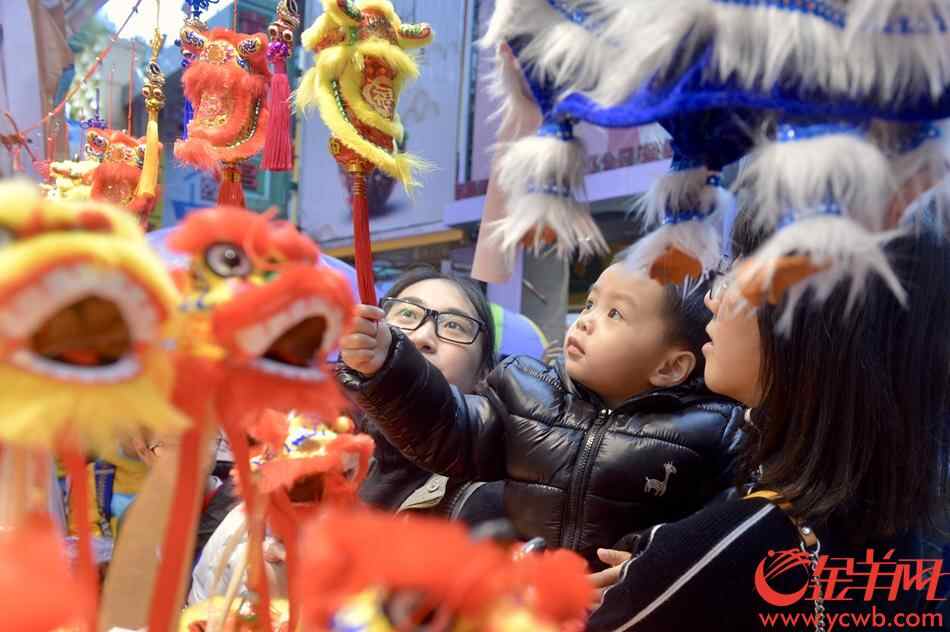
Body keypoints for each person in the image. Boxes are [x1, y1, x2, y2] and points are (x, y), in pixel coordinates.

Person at [587, 225, 950, 630]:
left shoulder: (736, 549)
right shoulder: (908, 537)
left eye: (733, 278)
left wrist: (676, 573)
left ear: (803, 321)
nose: (711, 299)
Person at [338, 259, 744, 567]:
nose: (585, 321)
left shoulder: (713, 430)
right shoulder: (528, 392)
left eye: (615, 314)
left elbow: (727, 529)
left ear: (670, 367)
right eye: (590, 304)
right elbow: (450, 426)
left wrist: (658, 564)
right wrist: (388, 366)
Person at [347, 267, 506, 524]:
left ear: (483, 374)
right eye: (407, 314)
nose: (422, 337)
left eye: (453, 325)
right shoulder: (324, 448)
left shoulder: (490, 501)